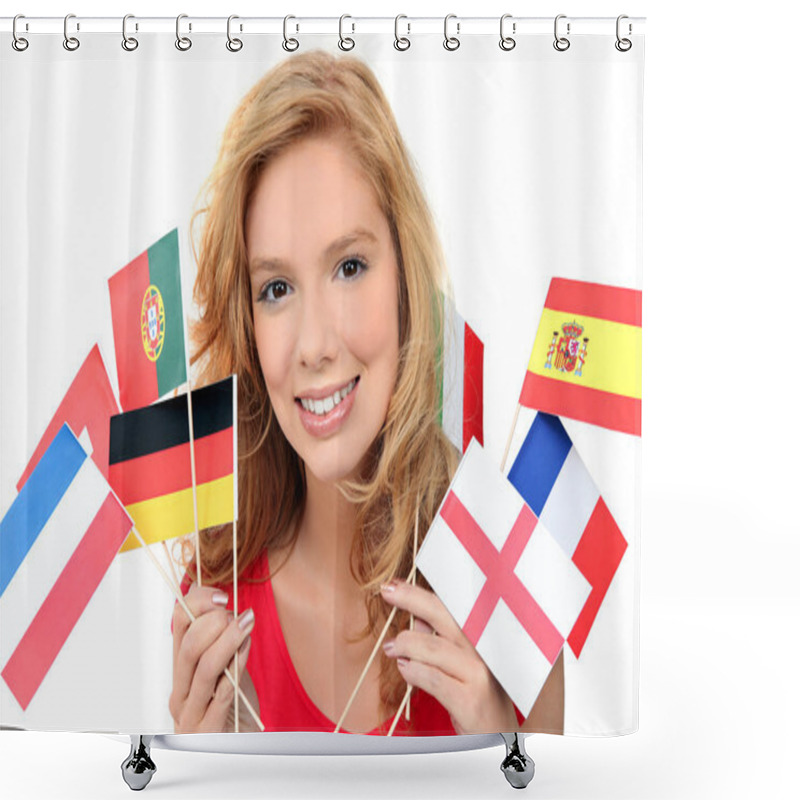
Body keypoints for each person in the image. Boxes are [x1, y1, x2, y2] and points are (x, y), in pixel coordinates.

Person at [169, 51, 564, 735]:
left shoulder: (509, 579)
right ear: (248, 322)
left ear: (407, 282)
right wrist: (204, 768)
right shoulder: (216, 605)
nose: (315, 344)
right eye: (277, 288)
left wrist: (506, 748)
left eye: (349, 266)